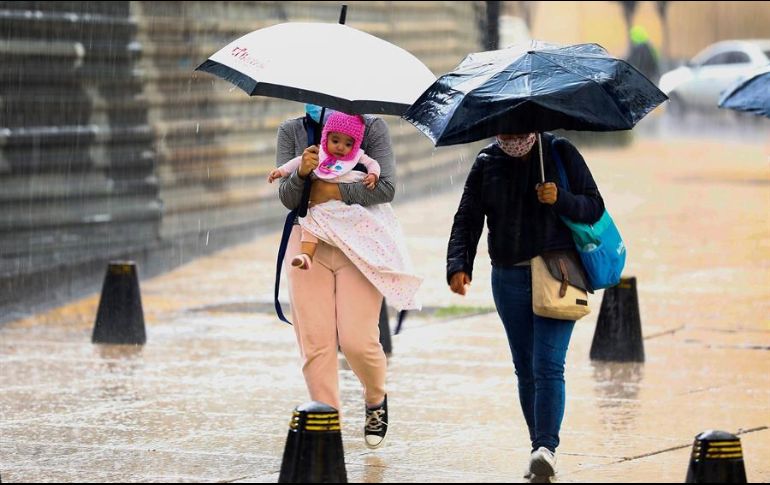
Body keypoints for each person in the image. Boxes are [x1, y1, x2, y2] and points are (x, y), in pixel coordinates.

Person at [446, 131, 604, 478]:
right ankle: (538, 450)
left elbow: (594, 206)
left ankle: (546, 447)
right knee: (526, 367)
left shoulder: (559, 151)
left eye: (518, 127)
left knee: (548, 364)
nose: (511, 134)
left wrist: (560, 198)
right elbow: (468, 218)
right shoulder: (487, 162)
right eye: (504, 127)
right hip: (508, 278)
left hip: (558, 273)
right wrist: (458, 264)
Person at [275, 104, 420, 449]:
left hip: (359, 241)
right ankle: (327, 428)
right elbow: (288, 198)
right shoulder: (292, 130)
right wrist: (301, 174)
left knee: (357, 340)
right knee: (315, 341)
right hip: (308, 241)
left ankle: (375, 397)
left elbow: (386, 188)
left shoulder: (372, 127)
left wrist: (335, 191)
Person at [268, 112, 381, 270]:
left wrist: (373, 175)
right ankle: (306, 255)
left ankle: (366, 251)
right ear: (325, 137)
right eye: (335, 141)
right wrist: (280, 171)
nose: (340, 147)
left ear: (355, 145)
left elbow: (373, 163)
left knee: (360, 216)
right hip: (319, 205)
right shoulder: (318, 152)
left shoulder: (358, 156)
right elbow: (297, 161)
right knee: (309, 219)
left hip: (344, 202)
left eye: (348, 144)